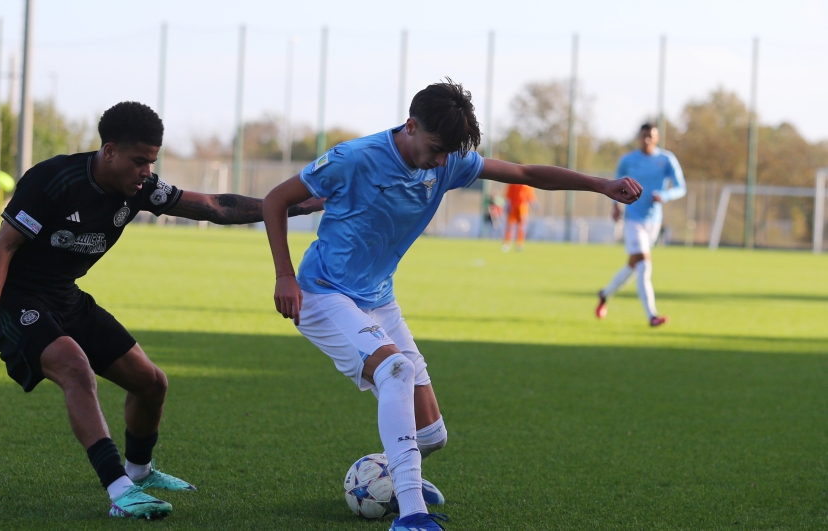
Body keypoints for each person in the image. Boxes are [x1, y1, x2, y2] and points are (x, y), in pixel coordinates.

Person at [262, 80, 642, 531]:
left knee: (432, 435)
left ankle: (384, 477)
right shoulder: (355, 157)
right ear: (410, 126)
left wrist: (602, 185)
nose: (441, 162)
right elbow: (276, 199)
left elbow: (524, 174)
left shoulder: (450, 160)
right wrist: (285, 275)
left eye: (449, 153)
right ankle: (411, 515)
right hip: (324, 293)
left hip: (379, 299)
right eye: (436, 148)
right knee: (395, 371)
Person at [0, 101, 322, 521]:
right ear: (109, 151)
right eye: (139, 162)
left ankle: (140, 472)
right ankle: (120, 490)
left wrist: (291, 206)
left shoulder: (141, 189)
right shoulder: (52, 179)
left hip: (64, 297)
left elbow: (215, 206)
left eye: (152, 162)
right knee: (75, 368)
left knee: (151, 383)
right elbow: (3, 246)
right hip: (16, 299)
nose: (147, 172)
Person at [595, 122, 686, 327]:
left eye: (650, 136)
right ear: (638, 137)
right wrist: (615, 205)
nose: (646, 140)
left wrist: (665, 195)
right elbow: (614, 185)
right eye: (643, 136)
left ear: (657, 138)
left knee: (634, 265)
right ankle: (652, 316)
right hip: (633, 219)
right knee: (644, 265)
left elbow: (681, 187)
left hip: (653, 221)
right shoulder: (628, 160)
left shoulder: (666, 160)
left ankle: (605, 293)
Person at [501, 183, 537, 252]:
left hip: (523, 207)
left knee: (521, 226)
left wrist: (534, 203)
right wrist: (507, 205)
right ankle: (507, 243)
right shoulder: (513, 183)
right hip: (513, 207)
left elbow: (530, 195)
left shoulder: (527, 185)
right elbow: (508, 195)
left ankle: (519, 244)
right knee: (510, 226)